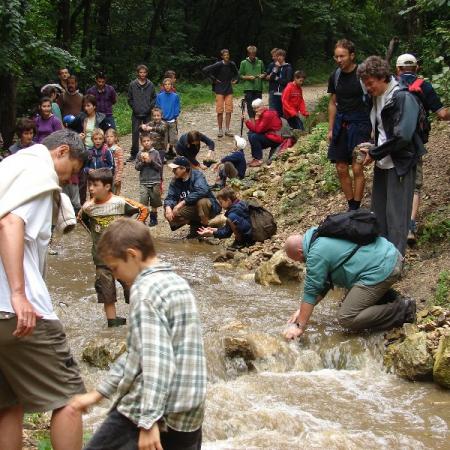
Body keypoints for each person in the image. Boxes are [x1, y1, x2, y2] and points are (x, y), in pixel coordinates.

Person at [69, 218, 206, 450]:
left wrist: (149, 420)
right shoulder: (177, 283)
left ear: (132, 255)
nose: (117, 276)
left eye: (115, 268)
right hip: (188, 409)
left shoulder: (144, 293)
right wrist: (98, 394)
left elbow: (157, 361)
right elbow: (139, 353)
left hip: (152, 410)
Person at [0, 130, 88, 450]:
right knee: (71, 398)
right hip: (18, 310)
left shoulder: (9, 167)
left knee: (8, 405)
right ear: (61, 152)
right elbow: (10, 223)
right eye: (74, 170)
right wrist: (19, 293)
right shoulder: (40, 176)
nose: (69, 179)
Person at [283, 229, 416, 340]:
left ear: (300, 252)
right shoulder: (317, 235)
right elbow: (324, 284)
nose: (301, 263)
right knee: (346, 303)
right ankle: (388, 298)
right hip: (389, 256)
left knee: (347, 317)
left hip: (385, 267)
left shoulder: (315, 254)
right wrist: (301, 311)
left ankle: (403, 310)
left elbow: (311, 291)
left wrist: (299, 326)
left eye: (299, 260)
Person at [357, 56, 425, 256]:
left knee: (396, 217)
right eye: (365, 84)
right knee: (379, 214)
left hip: (401, 162)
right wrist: (373, 149)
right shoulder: (377, 96)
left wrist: (375, 152)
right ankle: (381, 261)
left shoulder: (402, 97)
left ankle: (395, 264)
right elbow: (381, 130)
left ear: (383, 77)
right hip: (383, 162)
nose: (368, 88)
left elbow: (402, 137)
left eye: (370, 83)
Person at [79, 169, 149, 327]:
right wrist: (94, 236)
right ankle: (112, 321)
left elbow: (143, 210)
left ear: (107, 186)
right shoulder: (88, 207)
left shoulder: (119, 202)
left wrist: (131, 230)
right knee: (106, 291)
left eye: (95, 185)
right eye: (89, 185)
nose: (90, 188)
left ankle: (138, 316)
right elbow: (81, 219)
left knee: (131, 286)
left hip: (122, 256)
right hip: (101, 257)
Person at [395, 53, 450, 244]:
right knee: (415, 184)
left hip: (391, 141)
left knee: (392, 179)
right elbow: (442, 114)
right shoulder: (424, 86)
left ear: (398, 69)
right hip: (414, 142)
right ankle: (410, 226)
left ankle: (392, 226)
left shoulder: (390, 85)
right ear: (417, 68)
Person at [327, 39, 372, 211]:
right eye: (336, 56)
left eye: (342, 56)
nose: (339, 60)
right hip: (341, 125)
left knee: (357, 167)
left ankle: (356, 207)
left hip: (361, 124)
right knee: (341, 167)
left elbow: (373, 100)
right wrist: (331, 128)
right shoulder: (335, 76)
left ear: (352, 56)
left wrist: (374, 128)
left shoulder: (362, 75)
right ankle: (350, 204)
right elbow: (332, 102)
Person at [164, 156, 221, 237]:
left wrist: (182, 203)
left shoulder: (197, 175)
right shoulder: (175, 181)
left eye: (175, 169)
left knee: (202, 202)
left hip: (209, 208)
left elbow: (202, 190)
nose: (173, 171)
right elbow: (171, 197)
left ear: (183, 169)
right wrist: (168, 207)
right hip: (191, 209)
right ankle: (195, 223)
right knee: (169, 211)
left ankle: (206, 226)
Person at [202, 49, 239, 137]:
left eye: (228, 55)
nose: (226, 56)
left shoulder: (231, 64)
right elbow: (205, 70)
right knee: (220, 111)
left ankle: (227, 129)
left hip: (229, 89)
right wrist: (214, 79)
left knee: (229, 110)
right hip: (219, 89)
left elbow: (237, 74)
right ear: (222, 56)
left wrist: (235, 80)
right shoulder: (218, 64)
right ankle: (220, 130)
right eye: (225, 55)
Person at [127, 65, 156, 162]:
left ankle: (149, 152)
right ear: (138, 73)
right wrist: (134, 108)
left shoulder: (150, 85)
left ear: (147, 73)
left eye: (144, 72)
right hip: (136, 113)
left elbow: (154, 98)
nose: (142, 74)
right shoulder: (133, 84)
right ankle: (134, 154)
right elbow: (129, 99)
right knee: (135, 134)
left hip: (147, 113)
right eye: (141, 72)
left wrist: (149, 107)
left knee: (148, 134)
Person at [135, 133, 163, 227]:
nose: (146, 143)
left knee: (154, 202)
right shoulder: (139, 153)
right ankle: (143, 218)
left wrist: (151, 161)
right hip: (143, 182)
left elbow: (159, 167)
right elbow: (137, 167)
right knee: (143, 201)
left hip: (155, 181)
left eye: (148, 141)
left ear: (151, 141)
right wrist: (142, 162)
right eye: (144, 141)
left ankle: (153, 219)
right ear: (141, 143)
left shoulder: (155, 153)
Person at [245, 98, 283, 167]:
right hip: (270, 135)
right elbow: (257, 129)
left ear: (262, 106)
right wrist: (247, 122)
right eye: (254, 108)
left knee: (254, 137)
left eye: (257, 108)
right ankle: (255, 157)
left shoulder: (266, 115)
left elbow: (258, 130)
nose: (255, 110)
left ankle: (259, 159)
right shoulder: (263, 113)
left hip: (276, 138)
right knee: (251, 134)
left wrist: (256, 119)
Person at [156, 78, 180, 160]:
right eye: (165, 84)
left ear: (172, 85)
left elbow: (177, 107)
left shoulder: (175, 96)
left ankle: (179, 155)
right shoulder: (159, 96)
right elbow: (158, 107)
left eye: (169, 84)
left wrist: (175, 115)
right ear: (163, 86)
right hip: (163, 121)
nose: (167, 86)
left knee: (174, 139)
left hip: (172, 121)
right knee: (164, 140)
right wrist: (160, 117)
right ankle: (162, 156)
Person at [239, 45, 265, 118]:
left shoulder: (260, 62)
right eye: (251, 54)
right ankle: (253, 125)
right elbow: (240, 75)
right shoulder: (243, 63)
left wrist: (263, 75)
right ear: (248, 54)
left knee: (259, 107)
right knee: (250, 107)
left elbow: (264, 73)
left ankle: (258, 125)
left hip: (258, 87)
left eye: (254, 54)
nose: (253, 55)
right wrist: (248, 77)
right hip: (248, 88)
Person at [265, 49, 293, 117]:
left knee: (285, 112)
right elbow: (271, 78)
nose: (278, 58)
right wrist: (276, 68)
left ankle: (294, 125)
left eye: (280, 56)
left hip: (284, 92)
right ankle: (275, 126)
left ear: (284, 57)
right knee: (273, 111)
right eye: (277, 56)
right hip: (275, 92)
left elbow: (286, 82)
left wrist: (277, 78)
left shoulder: (288, 67)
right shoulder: (276, 67)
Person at [105, 129, 124, 195]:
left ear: (115, 138)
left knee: (115, 194)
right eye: (107, 137)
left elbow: (121, 164)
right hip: (107, 174)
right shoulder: (104, 148)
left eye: (111, 136)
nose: (109, 138)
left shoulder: (118, 149)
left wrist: (118, 177)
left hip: (115, 175)